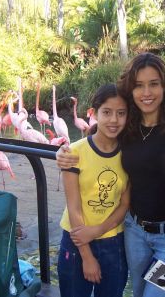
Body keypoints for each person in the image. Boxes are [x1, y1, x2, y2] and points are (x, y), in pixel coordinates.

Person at [56, 52, 165, 297]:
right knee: (138, 293)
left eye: (153, 84)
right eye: (138, 86)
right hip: (134, 232)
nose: (146, 93)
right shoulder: (129, 128)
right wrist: (64, 153)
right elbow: (98, 140)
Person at [57, 83, 130, 297]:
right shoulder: (74, 152)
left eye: (121, 113)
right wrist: (87, 256)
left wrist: (97, 231)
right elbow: (74, 207)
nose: (114, 120)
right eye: (107, 112)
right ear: (95, 112)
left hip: (113, 243)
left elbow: (125, 204)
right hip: (76, 241)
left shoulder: (129, 155)